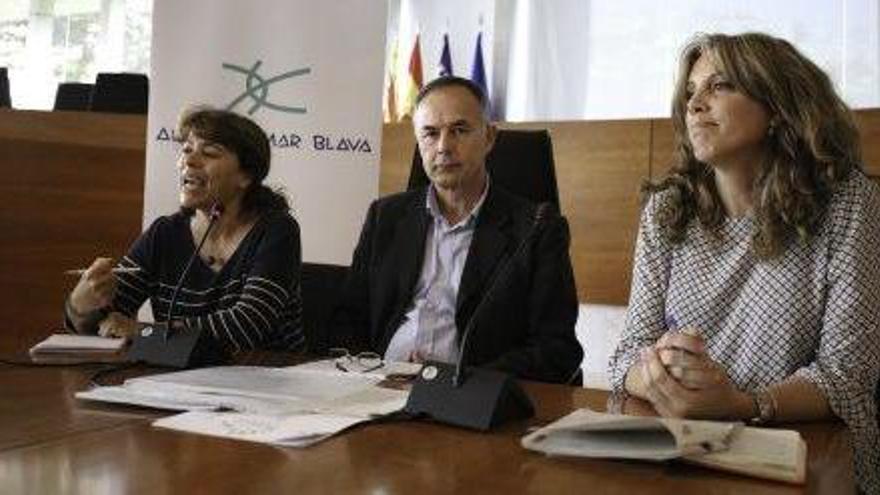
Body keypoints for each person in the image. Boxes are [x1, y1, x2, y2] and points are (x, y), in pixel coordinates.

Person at [607, 32, 880, 492]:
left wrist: (740, 403)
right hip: (685, 452)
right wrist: (659, 376)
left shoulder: (850, 203)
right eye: (691, 92)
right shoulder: (667, 209)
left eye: (720, 86)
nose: (695, 105)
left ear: (777, 106)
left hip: (808, 458)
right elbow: (626, 354)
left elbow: (847, 376)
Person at [331, 76, 582, 383]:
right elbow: (349, 320)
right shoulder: (385, 217)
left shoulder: (536, 229)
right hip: (379, 388)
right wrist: (369, 373)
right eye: (430, 134)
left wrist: (454, 380)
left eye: (459, 130)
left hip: (471, 398)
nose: (444, 147)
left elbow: (556, 349)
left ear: (489, 137)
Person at [65, 107, 303, 353]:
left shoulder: (276, 230)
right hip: (174, 382)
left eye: (209, 152)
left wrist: (144, 333)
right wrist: (82, 307)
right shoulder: (165, 233)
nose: (188, 160)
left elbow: (248, 326)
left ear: (246, 176)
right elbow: (107, 324)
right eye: (187, 149)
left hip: (266, 380)